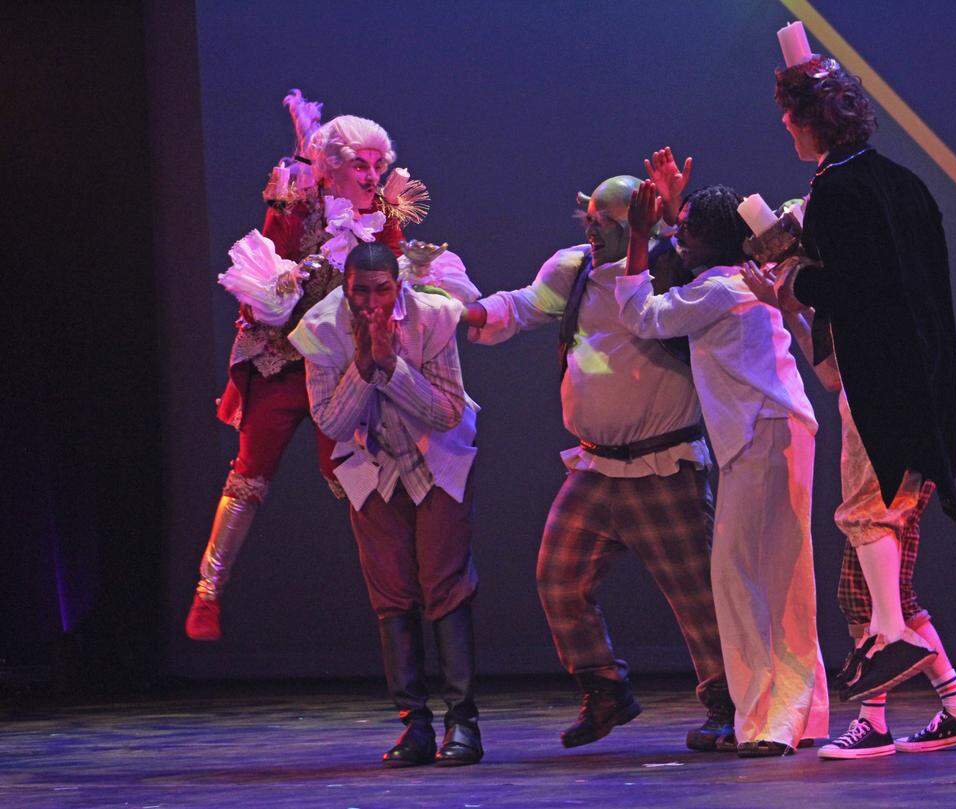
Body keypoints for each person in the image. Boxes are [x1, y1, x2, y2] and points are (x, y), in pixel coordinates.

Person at [756, 30, 956, 759]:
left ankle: (892, 651)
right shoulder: (899, 182)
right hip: (921, 380)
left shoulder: (838, 190)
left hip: (884, 387)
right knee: (870, 553)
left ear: (808, 120)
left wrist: (792, 281)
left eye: (791, 116)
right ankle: (942, 705)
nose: (786, 128)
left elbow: (855, 288)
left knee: (867, 525)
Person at [460, 175, 733, 751]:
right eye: (590, 215)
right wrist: (474, 314)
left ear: (639, 224)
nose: (591, 226)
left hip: (663, 464)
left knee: (699, 596)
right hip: (594, 469)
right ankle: (605, 688)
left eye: (605, 219)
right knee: (558, 579)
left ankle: (727, 703)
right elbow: (528, 305)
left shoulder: (671, 268)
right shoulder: (573, 267)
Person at [186, 91, 442, 641]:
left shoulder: (384, 220)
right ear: (333, 167)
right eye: (360, 164)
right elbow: (268, 258)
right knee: (250, 473)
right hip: (282, 363)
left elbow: (395, 281)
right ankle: (208, 593)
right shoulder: (299, 204)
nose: (373, 176)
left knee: (351, 475)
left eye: (379, 165)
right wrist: (304, 162)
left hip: (337, 371)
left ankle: (400, 595)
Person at [615, 174, 829, 756]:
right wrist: (665, 220)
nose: (677, 240)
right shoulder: (730, 283)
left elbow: (643, 315)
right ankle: (794, 715)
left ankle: (771, 717)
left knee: (747, 578)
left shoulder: (720, 290)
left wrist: (639, 236)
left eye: (685, 231)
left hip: (765, 433)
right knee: (775, 574)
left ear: (706, 242)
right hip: (769, 432)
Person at [289, 241, 483, 767]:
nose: (371, 304)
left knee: (444, 585)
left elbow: (445, 412)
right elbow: (329, 423)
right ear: (344, 289)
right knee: (393, 595)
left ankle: (462, 725)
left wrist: (392, 367)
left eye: (381, 290)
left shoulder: (434, 317)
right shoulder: (322, 329)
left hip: (434, 459)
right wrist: (363, 364)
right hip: (371, 466)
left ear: (397, 286)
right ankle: (414, 727)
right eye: (359, 293)